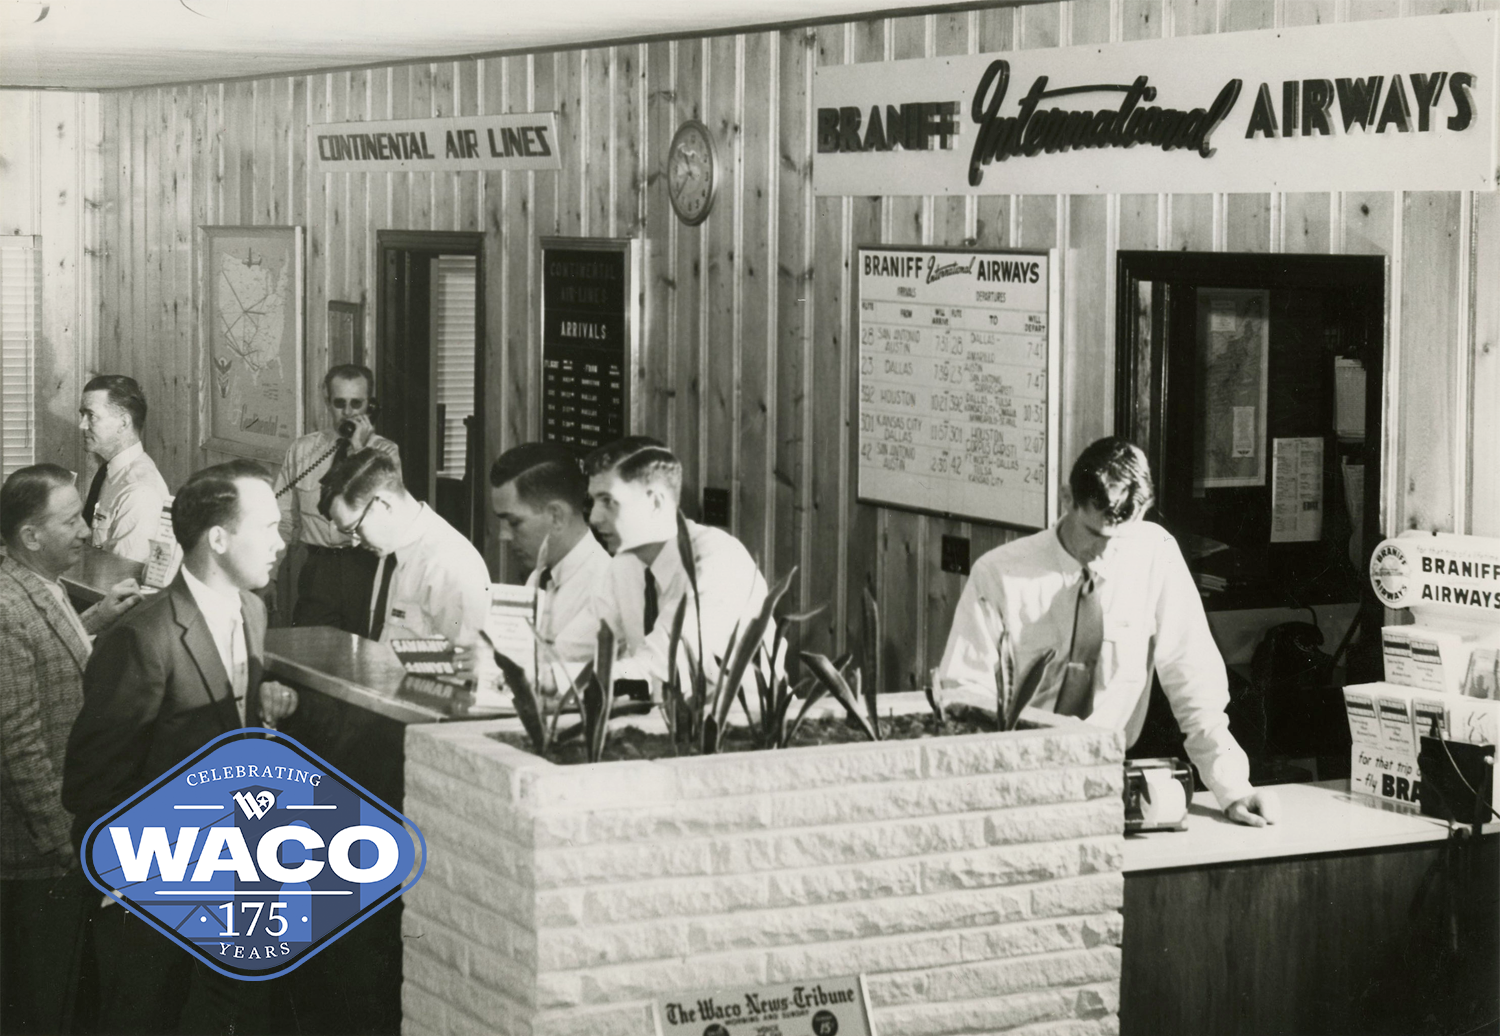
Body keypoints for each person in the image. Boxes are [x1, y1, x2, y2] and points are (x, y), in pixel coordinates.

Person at [62, 459, 299, 1034]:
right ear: (218, 539)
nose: (281, 542)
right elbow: (92, 783)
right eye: (267, 527)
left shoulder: (253, 609)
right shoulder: (143, 637)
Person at [935, 436, 1279, 827]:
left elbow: (1193, 681)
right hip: (1011, 780)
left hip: (1106, 779)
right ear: (1068, 500)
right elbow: (963, 697)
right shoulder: (999, 574)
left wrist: (1232, 786)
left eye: (1120, 538)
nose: (1105, 553)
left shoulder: (1154, 553)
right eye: (1094, 534)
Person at [0, 465, 140, 1035]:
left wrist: (95, 621)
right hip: (38, 852)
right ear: (31, 536)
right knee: (41, 1005)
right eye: (72, 520)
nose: (86, 531)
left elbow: (45, 653)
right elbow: (18, 743)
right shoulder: (6, 611)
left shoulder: (36, 587)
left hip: (55, 845)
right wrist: (64, 845)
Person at [582, 437, 771, 691]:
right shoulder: (624, 565)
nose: (593, 518)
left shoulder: (719, 562)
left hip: (746, 726)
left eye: (608, 501)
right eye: (593, 502)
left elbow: (664, 669)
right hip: (658, 724)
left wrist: (559, 679)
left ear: (655, 503)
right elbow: (588, 650)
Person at [271, 363, 401, 633]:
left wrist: (358, 452)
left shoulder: (386, 452)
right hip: (318, 568)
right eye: (340, 403)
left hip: (365, 567)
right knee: (308, 648)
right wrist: (269, 577)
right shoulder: (303, 450)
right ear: (327, 401)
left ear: (370, 405)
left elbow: (387, 519)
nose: (348, 413)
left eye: (357, 403)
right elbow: (283, 519)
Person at [323, 448, 489, 645]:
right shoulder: (391, 551)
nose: (354, 541)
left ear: (384, 504)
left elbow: (466, 664)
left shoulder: (448, 563)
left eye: (355, 529)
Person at [490, 442, 610, 663]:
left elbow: (546, 672)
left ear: (556, 516)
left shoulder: (607, 588)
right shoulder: (539, 576)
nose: (504, 536)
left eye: (514, 522)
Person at [77, 374, 171, 565]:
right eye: (82, 415)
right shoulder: (109, 472)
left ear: (124, 423)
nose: (82, 425)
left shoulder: (139, 492)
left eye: (91, 416)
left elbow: (120, 578)